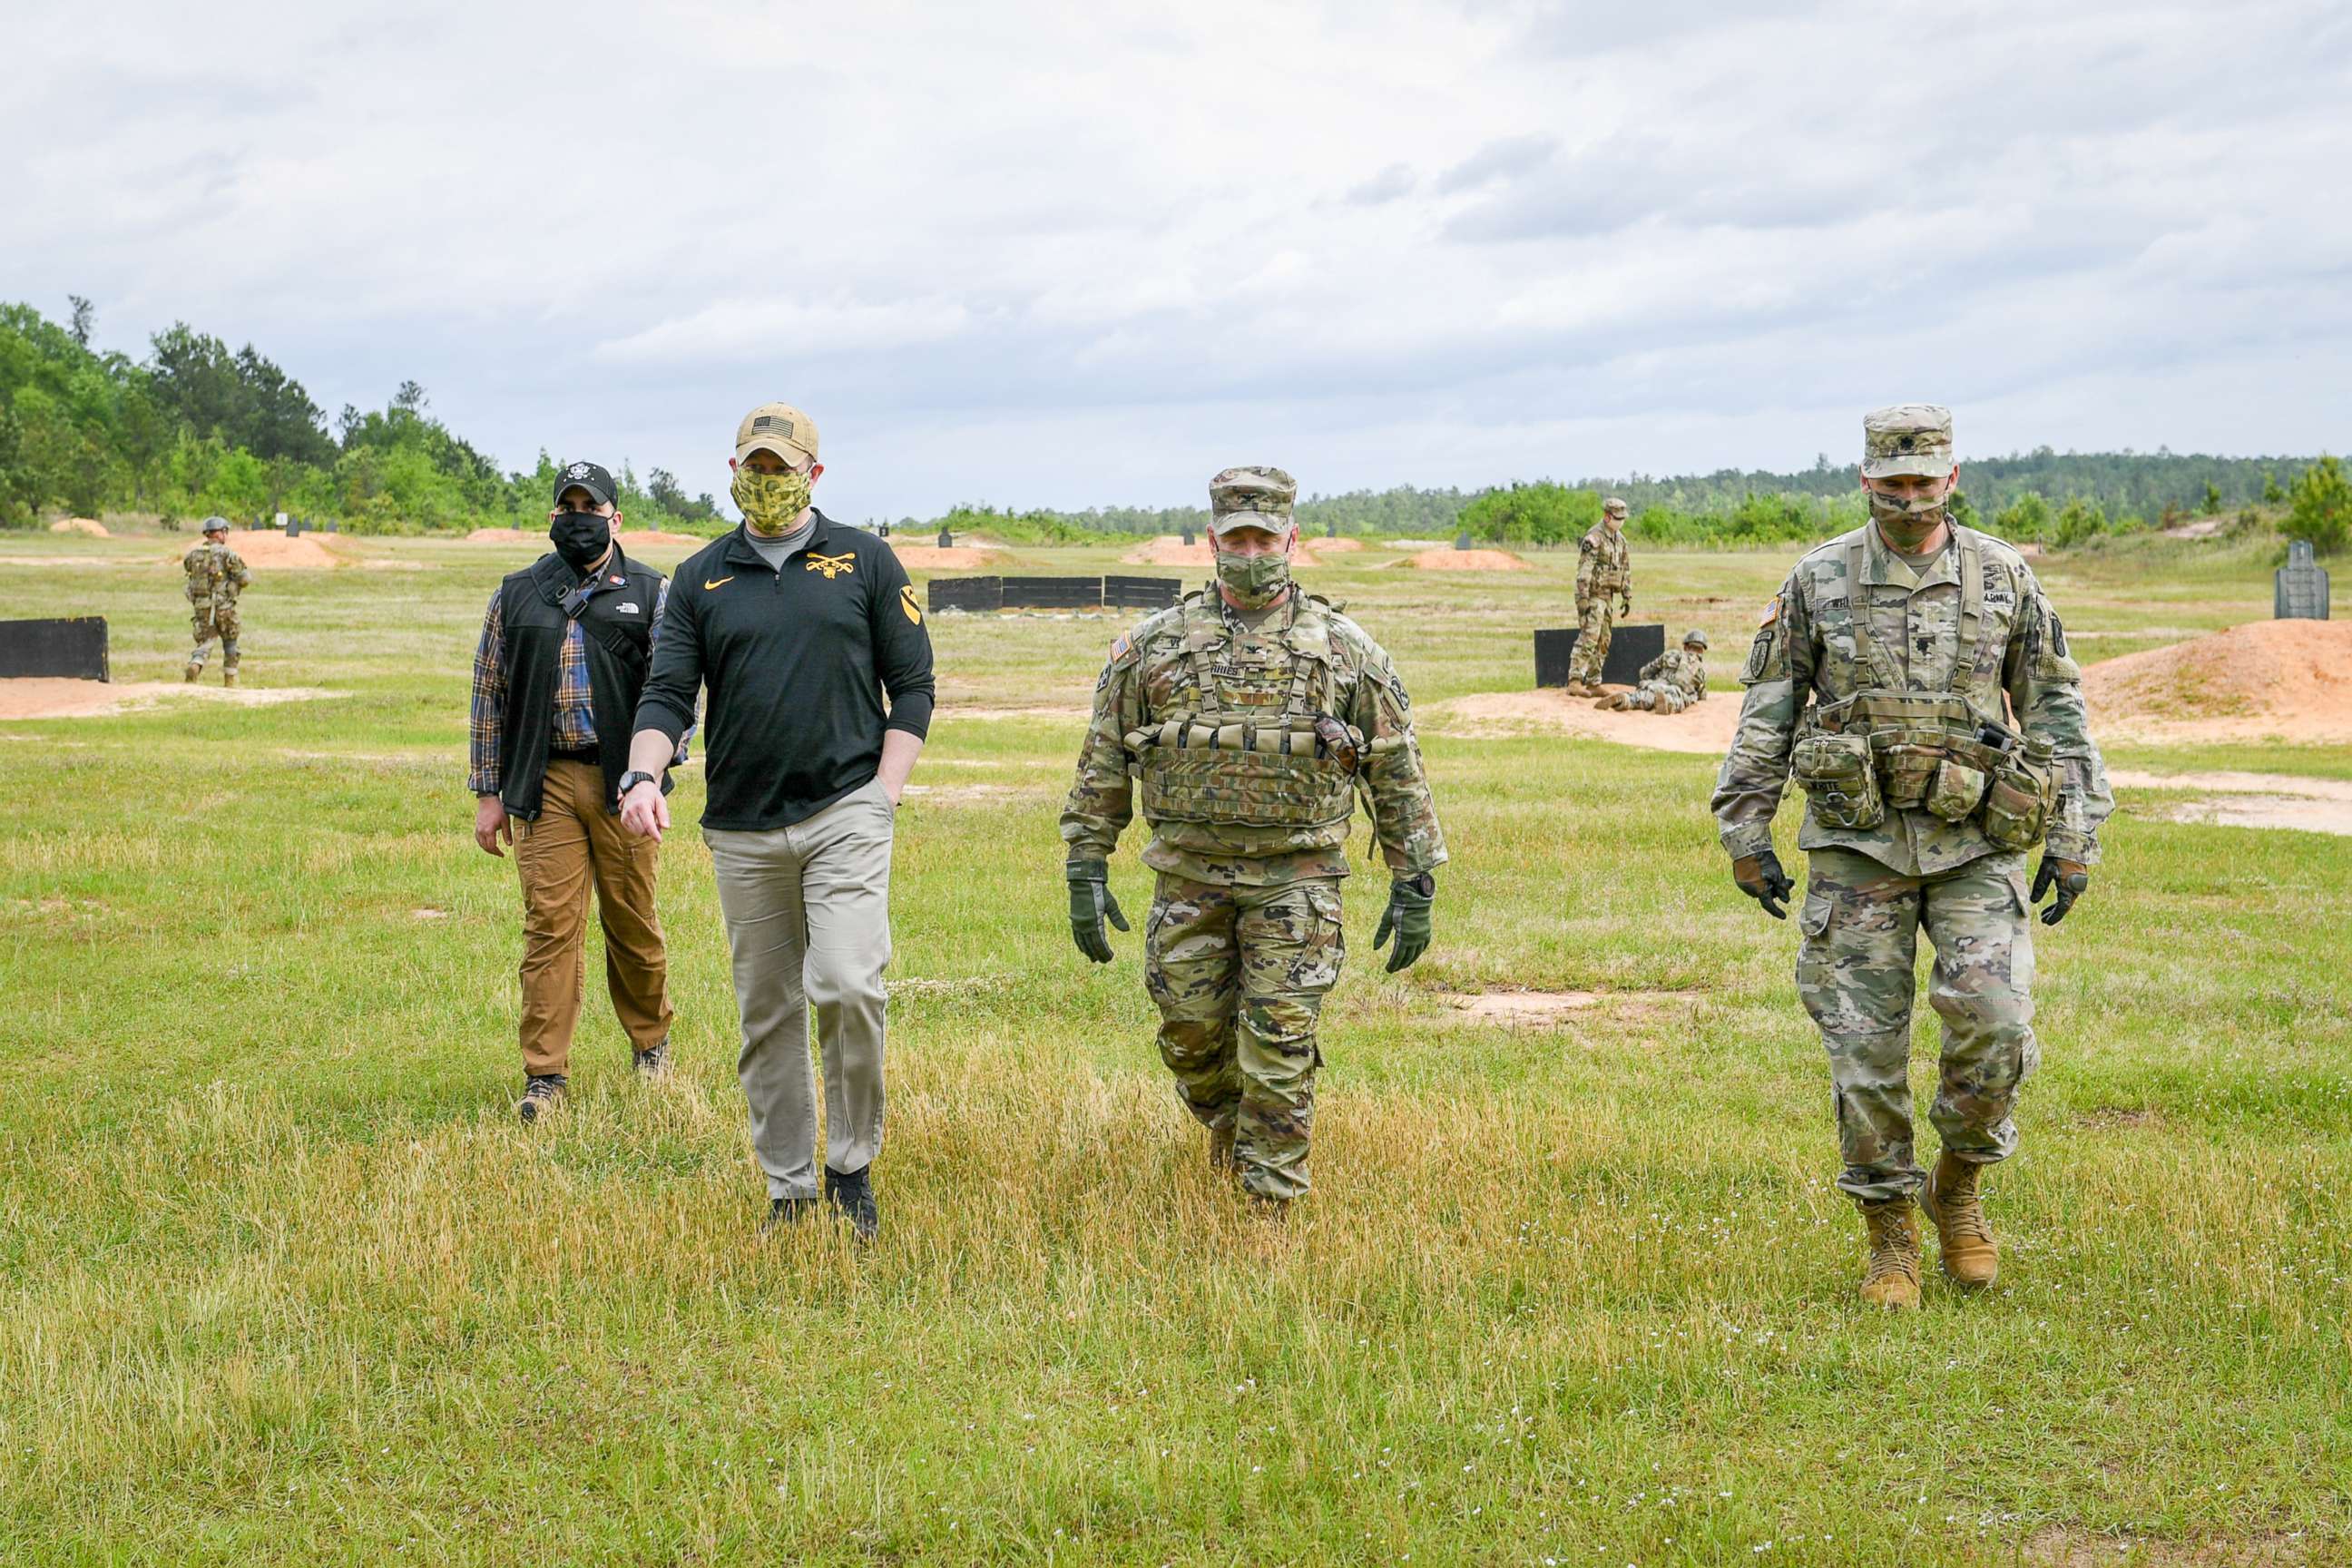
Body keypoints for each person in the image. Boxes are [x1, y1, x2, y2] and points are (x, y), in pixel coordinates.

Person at [1710, 404, 2112, 1308]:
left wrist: (2075, 833)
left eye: (1924, 484)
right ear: (1865, 481)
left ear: (1953, 479)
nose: (1909, 500)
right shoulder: (1817, 580)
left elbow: (2054, 711)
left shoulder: (2004, 576)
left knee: (1996, 1024)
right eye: (1892, 485)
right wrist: (1747, 831)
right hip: (1858, 847)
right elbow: (1768, 709)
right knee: (1864, 1050)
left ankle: (1959, 1185)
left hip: (1978, 843)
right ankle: (1889, 1229)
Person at [1060, 466, 1446, 1210]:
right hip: (1189, 878)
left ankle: (1270, 1207)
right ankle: (1232, 1132)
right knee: (1191, 1041)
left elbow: (1395, 765)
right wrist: (1087, 862)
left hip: (1296, 879)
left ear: (1291, 539)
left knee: (1278, 1048)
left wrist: (1415, 876)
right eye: (1235, 537)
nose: (1250, 552)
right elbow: (1105, 753)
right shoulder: (1153, 646)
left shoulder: (1343, 649)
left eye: (1264, 538)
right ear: (1211, 540)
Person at [620, 403, 934, 1242]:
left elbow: (914, 688)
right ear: (731, 473)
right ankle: (789, 1190)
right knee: (767, 1012)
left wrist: (884, 794)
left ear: (814, 475)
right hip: (744, 829)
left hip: (845, 812)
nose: (764, 480)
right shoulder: (699, 579)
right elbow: (666, 695)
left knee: (848, 984)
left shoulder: (865, 560)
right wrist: (642, 774)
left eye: (779, 466)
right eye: (751, 466)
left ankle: (851, 1167)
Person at [468, 462, 681, 1122]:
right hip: (545, 778)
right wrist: (488, 791)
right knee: (550, 927)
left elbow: (676, 689)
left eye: (592, 507)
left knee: (631, 920)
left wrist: (656, 770)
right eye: (569, 508)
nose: (579, 517)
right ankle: (546, 1076)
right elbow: (488, 693)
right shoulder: (518, 592)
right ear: (554, 518)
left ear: (616, 518)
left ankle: (651, 1044)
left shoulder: (650, 591)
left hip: (625, 783)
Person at [1562, 496, 1632, 696]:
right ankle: (1574, 680)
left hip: (1608, 595)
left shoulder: (1621, 541)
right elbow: (1584, 569)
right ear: (1607, 516)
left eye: (1623, 518)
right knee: (1589, 636)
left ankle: (1594, 680)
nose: (1621, 521)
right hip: (1593, 595)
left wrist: (1627, 595)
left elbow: (1625, 568)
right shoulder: (1594, 538)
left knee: (1604, 639)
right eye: (1617, 518)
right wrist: (1583, 597)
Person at [182, 517, 251, 685]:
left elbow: (188, 571)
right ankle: (230, 680)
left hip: (202, 606)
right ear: (220, 533)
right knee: (230, 640)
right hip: (224, 606)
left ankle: (196, 664)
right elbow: (245, 578)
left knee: (206, 641)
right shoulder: (227, 553)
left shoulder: (192, 554)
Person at [1599, 628, 1709, 712]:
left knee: (1642, 697)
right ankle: (1668, 703)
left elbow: (1645, 672)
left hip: (1657, 685)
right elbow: (1702, 695)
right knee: (1681, 700)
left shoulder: (1670, 654)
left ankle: (1626, 700)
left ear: (1685, 646)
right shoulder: (1700, 669)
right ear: (1702, 651)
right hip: (1677, 692)